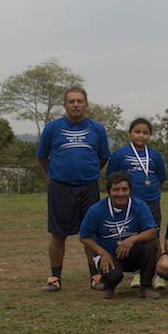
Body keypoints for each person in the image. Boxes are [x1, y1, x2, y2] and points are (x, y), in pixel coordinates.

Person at [37, 87, 111, 292]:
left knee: (90, 233)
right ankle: (55, 277)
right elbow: (42, 157)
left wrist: (88, 173)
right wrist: (58, 174)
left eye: (79, 101)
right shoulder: (53, 128)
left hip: (88, 188)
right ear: (65, 105)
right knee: (58, 234)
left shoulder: (97, 129)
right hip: (60, 188)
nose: (75, 105)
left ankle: (95, 275)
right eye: (71, 101)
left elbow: (103, 157)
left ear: (86, 105)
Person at [106, 118, 168, 290]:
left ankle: (158, 274)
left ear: (150, 135)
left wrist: (151, 193)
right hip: (130, 204)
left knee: (154, 238)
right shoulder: (120, 154)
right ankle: (138, 274)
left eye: (145, 133)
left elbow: (160, 179)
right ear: (130, 133)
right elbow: (111, 178)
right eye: (137, 132)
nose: (141, 136)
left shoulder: (155, 154)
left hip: (151, 202)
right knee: (133, 237)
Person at [78, 171, 160, 299]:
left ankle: (146, 287)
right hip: (109, 255)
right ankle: (108, 286)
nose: (120, 194)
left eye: (124, 189)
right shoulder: (96, 210)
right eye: (116, 190)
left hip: (133, 253)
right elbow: (84, 236)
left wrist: (133, 239)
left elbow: (152, 232)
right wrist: (102, 253)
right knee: (113, 274)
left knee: (150, 246)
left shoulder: (139, 206)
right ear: (107, 191)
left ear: (131, 190)